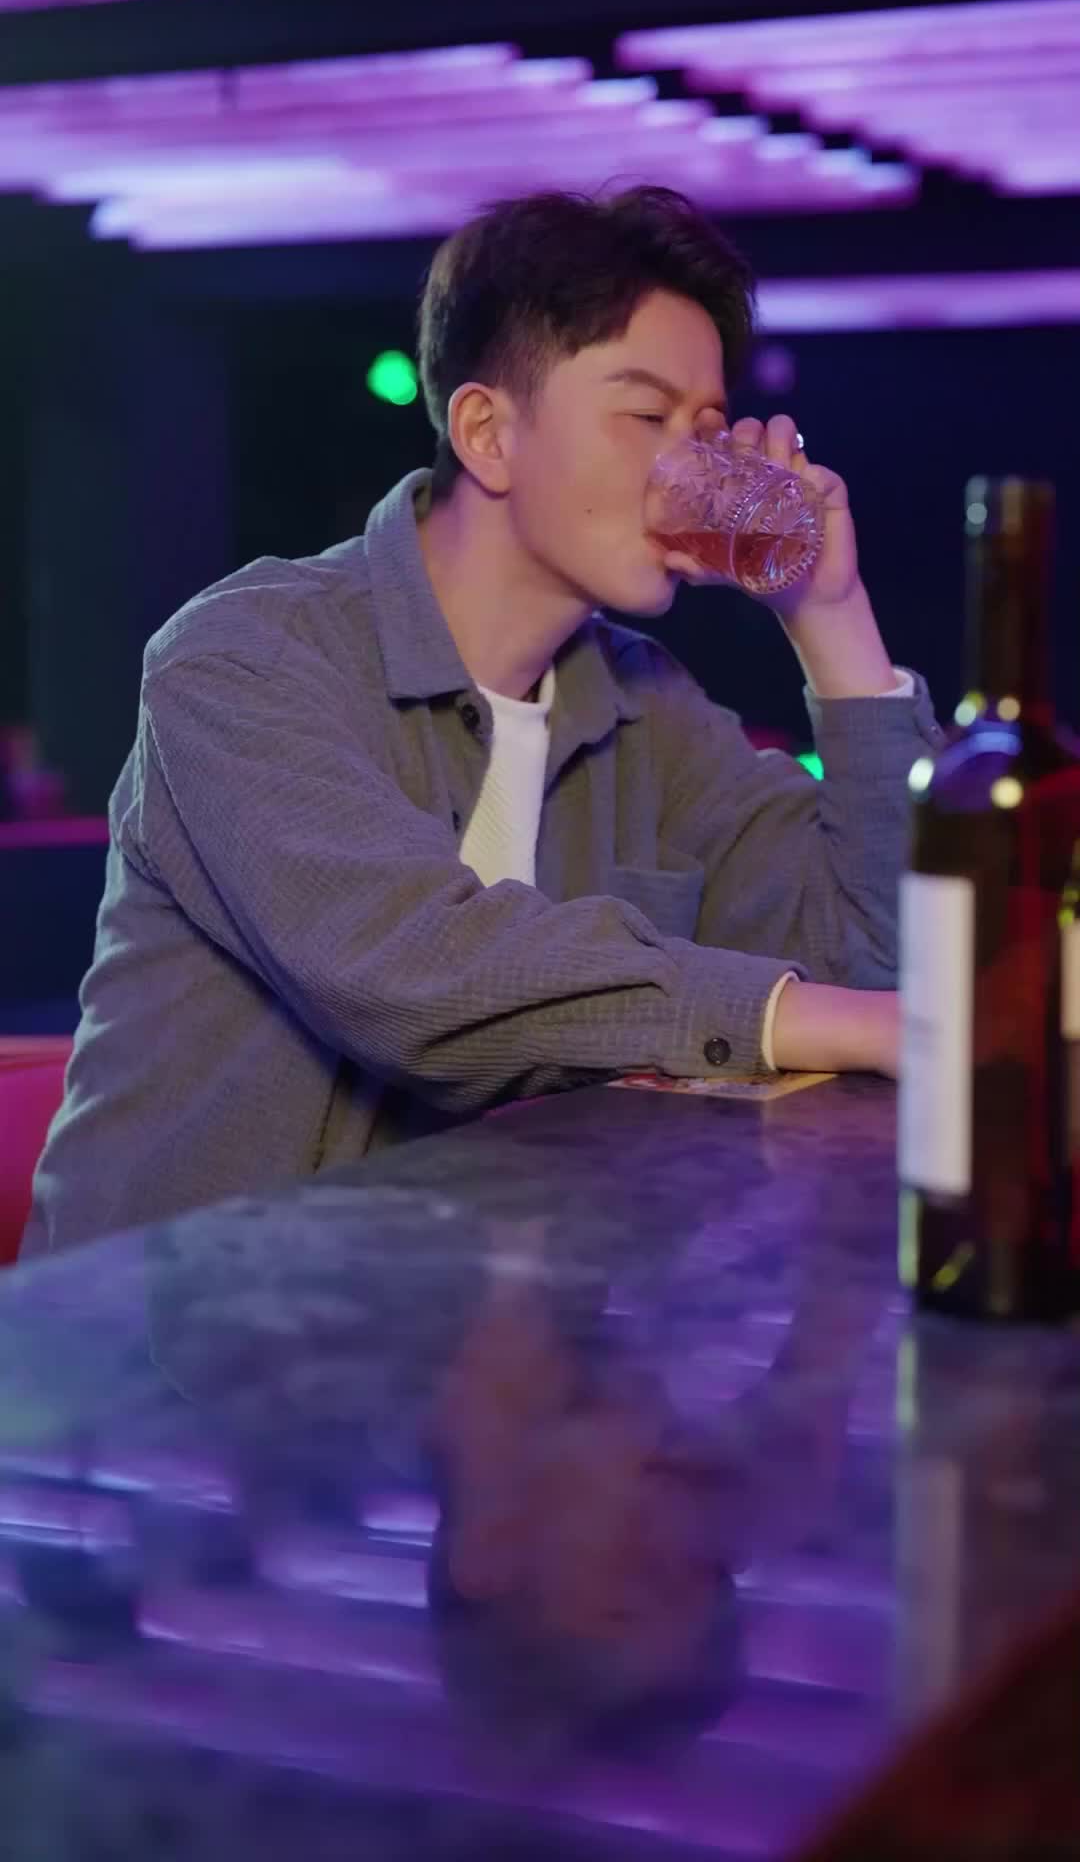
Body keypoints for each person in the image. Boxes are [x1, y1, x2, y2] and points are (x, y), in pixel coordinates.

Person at [27, 184, 944, 1255]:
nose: (694, 468)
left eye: (707, 430)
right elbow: (418, 969)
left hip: (454, 1323)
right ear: (486, 434)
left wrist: (831, 616)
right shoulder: (246, 657)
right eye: (647, 417)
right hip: (160, 1329)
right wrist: (806, 1017)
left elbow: (892, 954)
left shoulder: (647, 706)